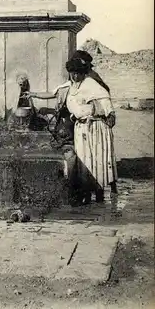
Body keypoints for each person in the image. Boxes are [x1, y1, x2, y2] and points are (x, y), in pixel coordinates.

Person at [24, 57, 118, 203]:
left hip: (93, 128)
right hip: (80, 129)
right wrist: (33, 94)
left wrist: (110, 113)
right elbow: (53, 93)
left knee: (96, 160)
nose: (74, 76)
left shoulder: (90, 84)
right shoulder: (69, 86)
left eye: (77, 73)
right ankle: (85, 193)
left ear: (83, 73)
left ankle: (99, 194)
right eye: (72, 73)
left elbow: (104, 99)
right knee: (84, 162)